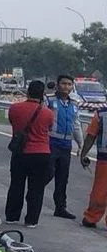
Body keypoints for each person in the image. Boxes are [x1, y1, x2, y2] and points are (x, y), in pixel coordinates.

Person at [6, 80, 56, 227]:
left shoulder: (15, 108)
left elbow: (13, 123)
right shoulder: (48, 113)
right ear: (43, 95)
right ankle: (32, 219)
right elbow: (50, 128)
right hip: (41, 153)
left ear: (27, 92)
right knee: (36, 188)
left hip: (20, 152)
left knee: (16, 185)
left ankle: (12, 216)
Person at [47, 74, 84, 219]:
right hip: (51, 143)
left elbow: (76, 125)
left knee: (62, 178)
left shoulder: (73, 104)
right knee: (47, 174)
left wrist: (81, 144)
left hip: (66, 145)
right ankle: (34, 197)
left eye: (69, 84)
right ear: (57, 85)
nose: (66, 87)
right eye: (63, 84)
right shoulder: (49, 101)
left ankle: (60, 207)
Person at [79, 108, 107, 229]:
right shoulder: (101, 115)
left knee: (99, 191)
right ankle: (91, 217)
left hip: (104, 160)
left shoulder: (101, 115)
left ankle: (91, 217)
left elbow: (91, 136)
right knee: (99, 191)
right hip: (104, 159)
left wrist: (83, 154)